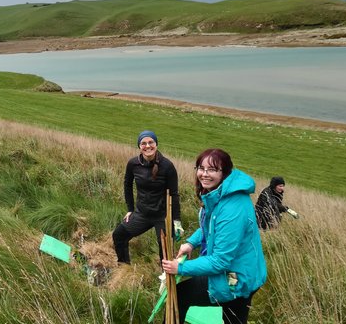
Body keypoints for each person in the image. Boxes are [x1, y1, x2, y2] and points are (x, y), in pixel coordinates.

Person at [162, 148, 267, 324]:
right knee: (233, 317)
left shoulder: (232, 207)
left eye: (212, 169)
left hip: (237, 277)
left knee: (181, 295)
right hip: (238, 272)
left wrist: (180, 268)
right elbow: (210, 227)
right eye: (201, 168)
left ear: (225, 172)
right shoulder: (219, 193)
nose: (204, 174)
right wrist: (191, 243)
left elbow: (220, 260)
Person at [112, 130, 183, 265]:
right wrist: (130, 209)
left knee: (165, 253)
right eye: (143, 143)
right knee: (119, 235)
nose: (147, 146)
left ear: (156, 144)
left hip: (163, 216)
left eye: (151, 142)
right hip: (142, 214)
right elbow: (127, 185)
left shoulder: (167, 166)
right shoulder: (133, 164)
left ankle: (166, 282)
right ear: (139, 146)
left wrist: (176, 220)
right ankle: (123, 266)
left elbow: (174, 194)